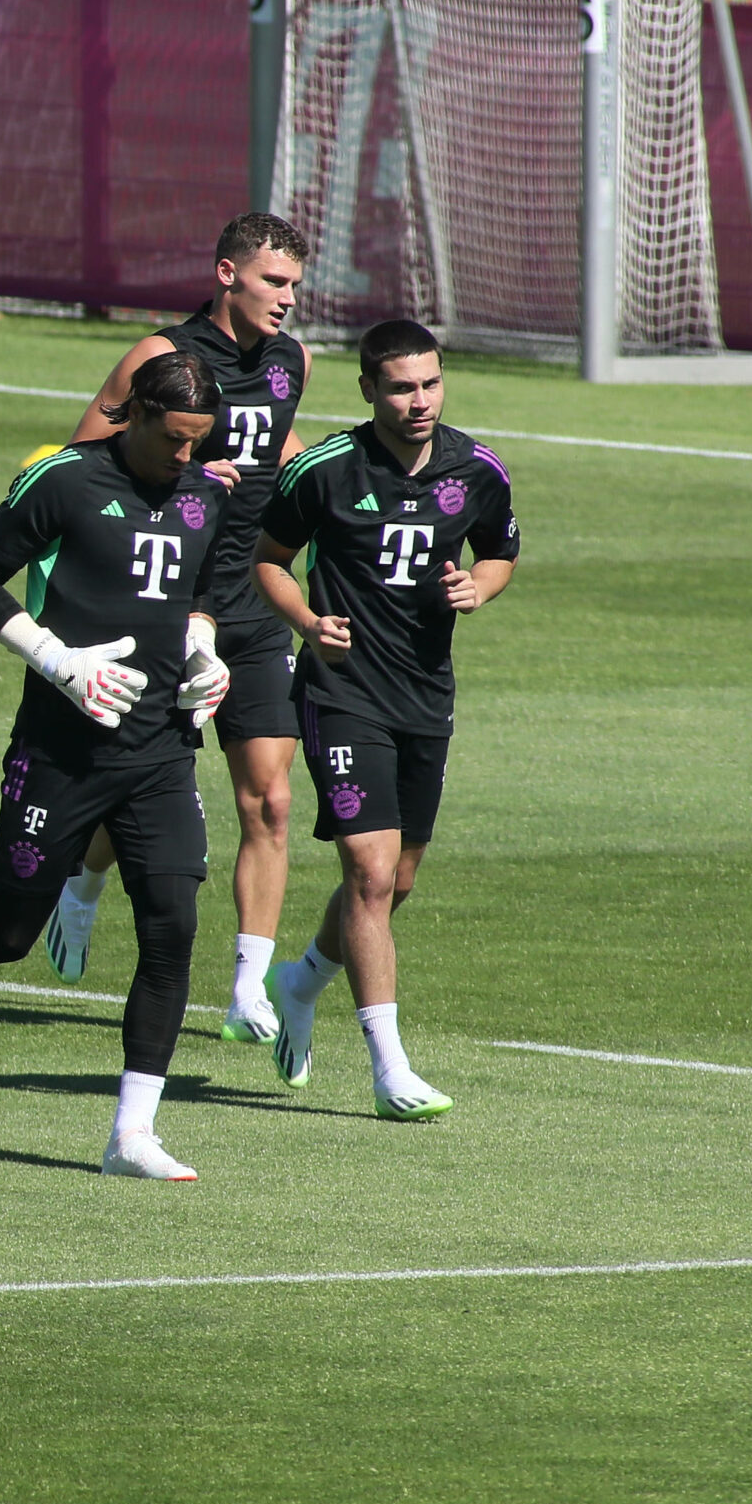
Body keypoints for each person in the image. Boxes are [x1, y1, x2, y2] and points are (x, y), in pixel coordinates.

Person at [0, 351, 234, 1181]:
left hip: (158, 751)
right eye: (174, 440)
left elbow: (202, 591)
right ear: (137, 415)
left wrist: (205, 652)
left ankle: (129, 1136)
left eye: (197, 443)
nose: (186, 458)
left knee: (172, 927)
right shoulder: (64, 480)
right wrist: (56, 659)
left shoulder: (205, 495)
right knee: (11, 928)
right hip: (59, 750)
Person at [39, 213, 314, 1044]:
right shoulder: (161, 360)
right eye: (273, 281)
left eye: (296, 285)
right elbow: (81, 464)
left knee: (268, 798)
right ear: (226, 273)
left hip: (257, 605)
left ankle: (248, 988)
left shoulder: (290, 360)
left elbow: (280, 440)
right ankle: (80, 890)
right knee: (140, 788)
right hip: (166, 606)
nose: (287, 300)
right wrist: (189, 477)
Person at [250, 319, 517, 1119]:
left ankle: (300, 983)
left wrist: (481, 585)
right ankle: (388, 1068)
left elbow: (500, 549)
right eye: (402, 387)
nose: (420, 401)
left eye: (431, 383)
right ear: (368, 390)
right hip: (341, 694)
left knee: (397, 881)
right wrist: (305, 622)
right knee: (366, 874)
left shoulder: (476, 470)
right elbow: (268, 557)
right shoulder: (327, 469)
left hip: (424, 696)